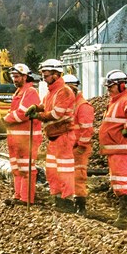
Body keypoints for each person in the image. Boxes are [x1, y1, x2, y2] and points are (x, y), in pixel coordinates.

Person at [29, 58, 78, 212]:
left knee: (64, 171)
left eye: (46, 74)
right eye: (43, 74)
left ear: (56, 74)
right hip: (54, 138)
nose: (44, 77)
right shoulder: (51, 92)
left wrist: (38, 116)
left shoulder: (64, 91)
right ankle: (57, 198)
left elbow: (56, 114)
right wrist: (37, 107)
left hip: (64, 136)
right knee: (52, 171)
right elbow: (45, 106)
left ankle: (67, 201)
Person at [98, 70, 127, 228]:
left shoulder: (126, 101)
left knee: (124, 183)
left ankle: (125, 219)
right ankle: (123, 216)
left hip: (124, 150)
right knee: (118, 183)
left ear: (121, 85)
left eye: (111, 86)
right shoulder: (115, 101)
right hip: (116, 149)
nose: (108, 89)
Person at [2, 63, 43, 205]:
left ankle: (26, 198)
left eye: (17, 77)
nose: (14, 79)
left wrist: (5, 119)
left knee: (26, 169)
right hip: (16, 138)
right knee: (17, 168)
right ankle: (18, 195)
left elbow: (22, 113)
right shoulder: (19, 92)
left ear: (25, 77)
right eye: (13, 77)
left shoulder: (30, 92)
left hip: (27, 138)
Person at [65, 74, 95, 215]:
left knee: (78, 175)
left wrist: (81, 146)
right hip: (68, 146)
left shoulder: (83, 106)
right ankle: (69, 201)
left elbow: (87, 129)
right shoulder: (69, 105)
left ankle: (80, 205)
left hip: (78, 147)